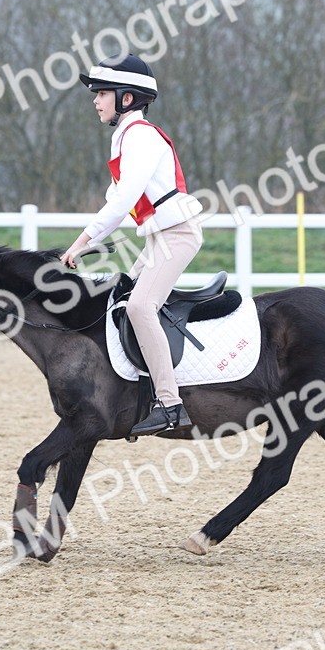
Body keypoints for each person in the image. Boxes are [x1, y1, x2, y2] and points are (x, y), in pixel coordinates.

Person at [60, 54, 204, 437]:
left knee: (141, 307)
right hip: (161, 234)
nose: (95, 100)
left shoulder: (140, 136)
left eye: (102, 93)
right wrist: (88, 242)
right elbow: (117, 204)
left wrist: (82, 242)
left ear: (126, 98)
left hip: (177, 234)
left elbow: (123, 201)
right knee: (121, 294)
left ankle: (171, 405)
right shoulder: (124, 137)